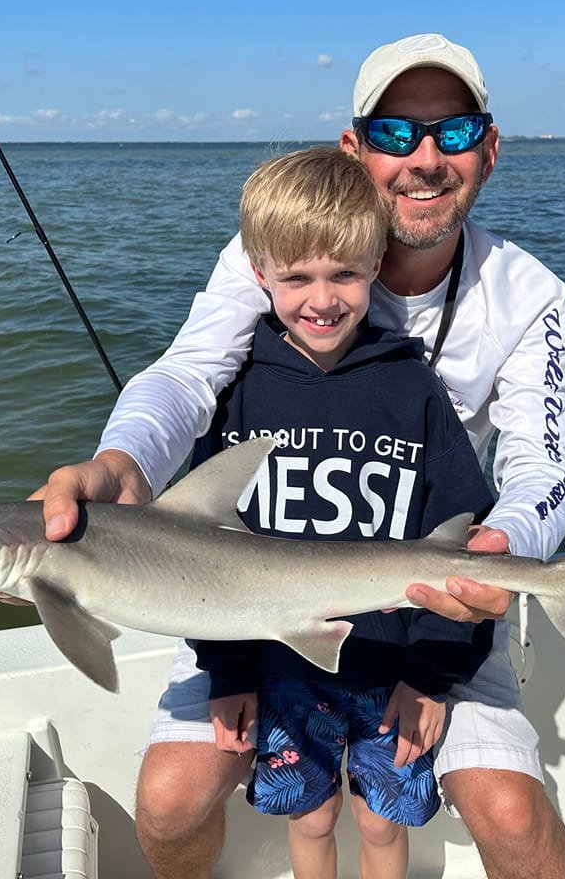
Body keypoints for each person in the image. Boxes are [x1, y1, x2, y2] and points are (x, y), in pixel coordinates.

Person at [33, 33, 565, 879]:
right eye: (397, 134)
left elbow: (543, 467)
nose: (426, 159)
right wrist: (123, 462)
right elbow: (186, 376)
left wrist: (501, 551)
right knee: (170, 803)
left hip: (437, 596)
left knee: (512, 818)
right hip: (248, 592)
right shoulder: (270, 255)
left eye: (455, 131)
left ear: (491, 146)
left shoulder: (529, 293)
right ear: (355, 149)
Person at [188, 144, 497, 878]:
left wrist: (430, 675)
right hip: (279, 663)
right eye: (295, 278)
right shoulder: (237, 390)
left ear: (376, 267)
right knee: (312, 816)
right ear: (259, 274)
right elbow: (200, 561)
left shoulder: (412, 387)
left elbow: (459, 543)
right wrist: (226, 673)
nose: (321, 299)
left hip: (394, 663)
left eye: (345, 275)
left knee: (383, 825)